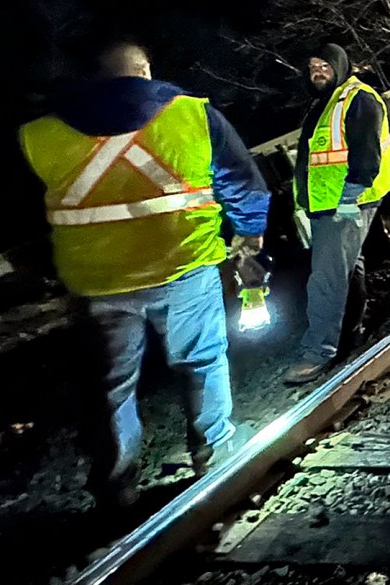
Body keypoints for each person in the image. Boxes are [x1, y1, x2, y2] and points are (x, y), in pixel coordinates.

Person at [19, 41, 269, 510]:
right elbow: (241, 180)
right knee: (201, 363)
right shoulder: (193, 115)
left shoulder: (40, 134)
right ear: (146, 71)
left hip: (96, 283)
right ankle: (213, 455)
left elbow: (24, 217)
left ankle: (116, 486)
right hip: (184, 267)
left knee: (111, 387)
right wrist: (250, 235)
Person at [283, 43, 390, 384]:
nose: (317, 72)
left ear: (339, 66)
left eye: (324, 66)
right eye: (312, 67)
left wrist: (349, 200)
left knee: (326, 277)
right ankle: (352, 332)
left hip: (348, 202)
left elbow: (366, 156)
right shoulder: (325, 103)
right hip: (326, 204)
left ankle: (318, 351)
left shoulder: (358, 98)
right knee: (349, 268)